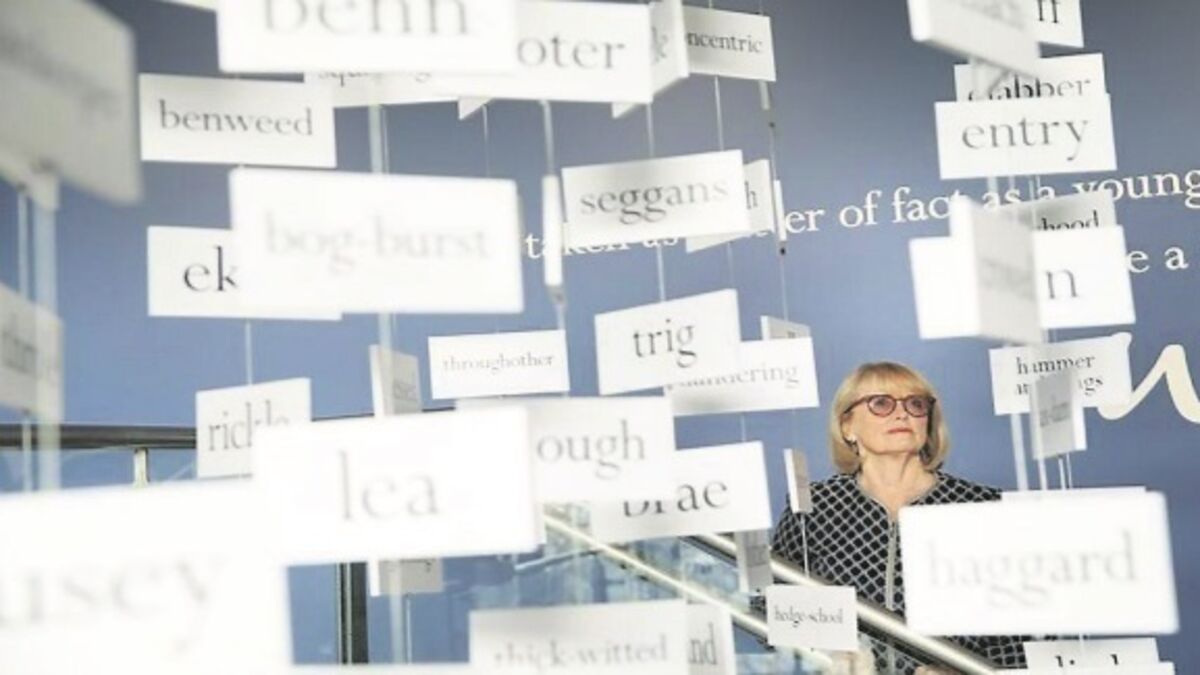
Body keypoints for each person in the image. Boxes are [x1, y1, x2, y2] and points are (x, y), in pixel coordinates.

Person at [770, 362, 1028, 674]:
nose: (902, 414)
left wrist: (965, 672)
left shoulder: (982, 506)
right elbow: (772, 607)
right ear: (847, 426)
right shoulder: (814, 505)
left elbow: (1021, 628)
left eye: (915, 404)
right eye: (881, 403)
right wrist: (823, 657)